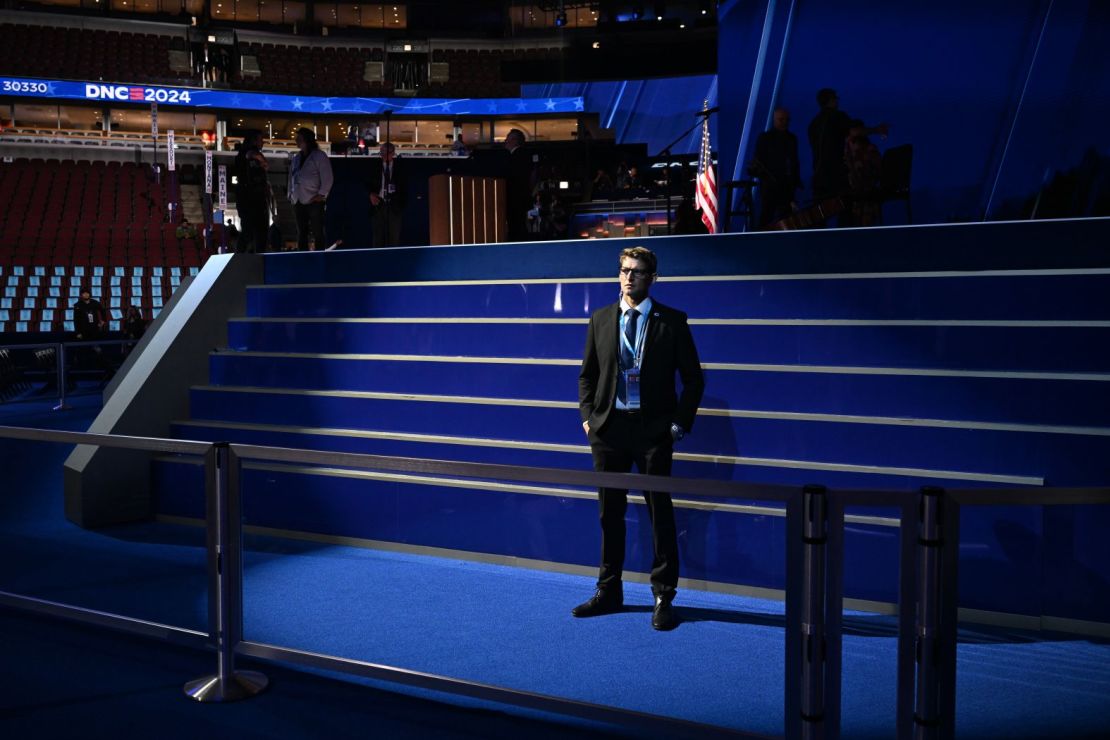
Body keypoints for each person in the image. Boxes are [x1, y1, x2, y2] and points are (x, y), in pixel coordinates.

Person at [575, 246, 705, 631]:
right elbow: (587, 375)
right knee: (608, 514)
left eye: (638, 271)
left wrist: (678, 425)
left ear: (653, 277)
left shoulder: (672, 322)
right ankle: (608, 590)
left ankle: (664, 596)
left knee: (659, 515)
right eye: (624, 270)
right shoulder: (600, 319)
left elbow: (694, 380)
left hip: (652, 434)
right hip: (609, 432)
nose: (629, 277)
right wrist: (588, 419)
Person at [807, 88, 888, 203]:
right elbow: (854, 131)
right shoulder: (837, 116)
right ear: (831, 100)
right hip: (836, 173)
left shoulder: (812, 124)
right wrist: (877, 130)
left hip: (818, 175)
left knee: (820, 213)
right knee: (846, 208)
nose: (837, 101)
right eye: (836, 98)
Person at [751, 107, 802, 227]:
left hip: (785, 183)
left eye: (786, 120)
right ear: (774, 120)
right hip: (770, 183)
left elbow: (794, 160)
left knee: (785, 216)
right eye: (781, 120)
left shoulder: (791, 138)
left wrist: (795, 179)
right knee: (768, 214)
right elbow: (758, 159)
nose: (785, 122)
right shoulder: (766, 138)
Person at [288, 127, 333, 251]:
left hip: (314, 200)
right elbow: (291, 177)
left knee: (318, 232)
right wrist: (290, 194)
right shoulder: (296, 158)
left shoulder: (319, 156)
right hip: (298, 199)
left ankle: (320, 257)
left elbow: (327, 177)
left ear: (306, 140)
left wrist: (321, 194)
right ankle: (302, 257)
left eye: (299, 138)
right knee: (301, 232)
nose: (296, 140)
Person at [233, 130, 270, 253]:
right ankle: (248, 256)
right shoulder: (248, 153)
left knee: (253, 230)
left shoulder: (243, 154)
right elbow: (250, 154)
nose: (263, 142)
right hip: (251, 198)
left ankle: (248, 254)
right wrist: (262, 161)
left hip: (251, 197)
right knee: (254, 230)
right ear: (253, 141)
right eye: (260, 139)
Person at [367, 141, 407, 248]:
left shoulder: (401, 168)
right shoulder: (373, 167)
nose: (384, 155)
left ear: (393, 153)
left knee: (394, 240)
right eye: (382, 153)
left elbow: (405, 189)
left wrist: (400, 204)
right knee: (377, 239)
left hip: (394, 207)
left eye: (387, 153)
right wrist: (370, 194)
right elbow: (366, 185)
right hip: (378, 205)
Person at [504, 128, 533, 242]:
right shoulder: (525, 155)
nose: (506, 141)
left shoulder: (515, 156)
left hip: (515, 197)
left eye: (508, 139)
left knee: (516, 225)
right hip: (522, 197)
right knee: (519, 224)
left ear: (515, 140)